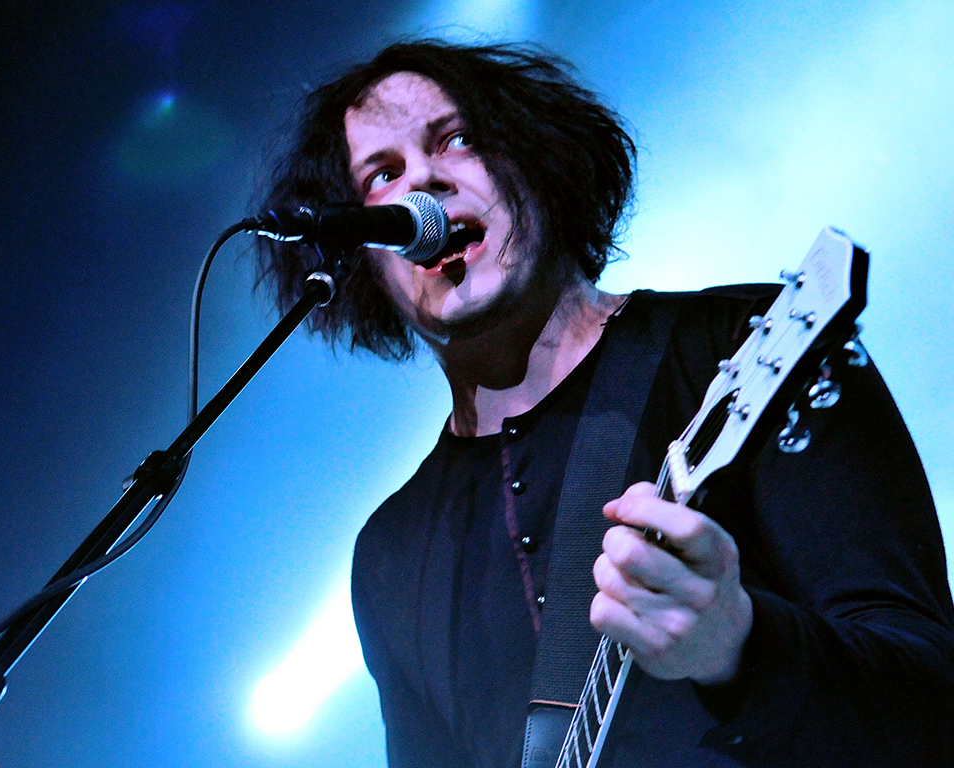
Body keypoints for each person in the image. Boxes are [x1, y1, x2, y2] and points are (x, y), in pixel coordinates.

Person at [255, 41, 954, 767]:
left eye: (457, 139)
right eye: (383, 175)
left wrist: (742, 645)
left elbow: (933, 707)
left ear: (537, 158)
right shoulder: (391, 555)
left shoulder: (744, 348)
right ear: (362, 262)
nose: (422, 183)